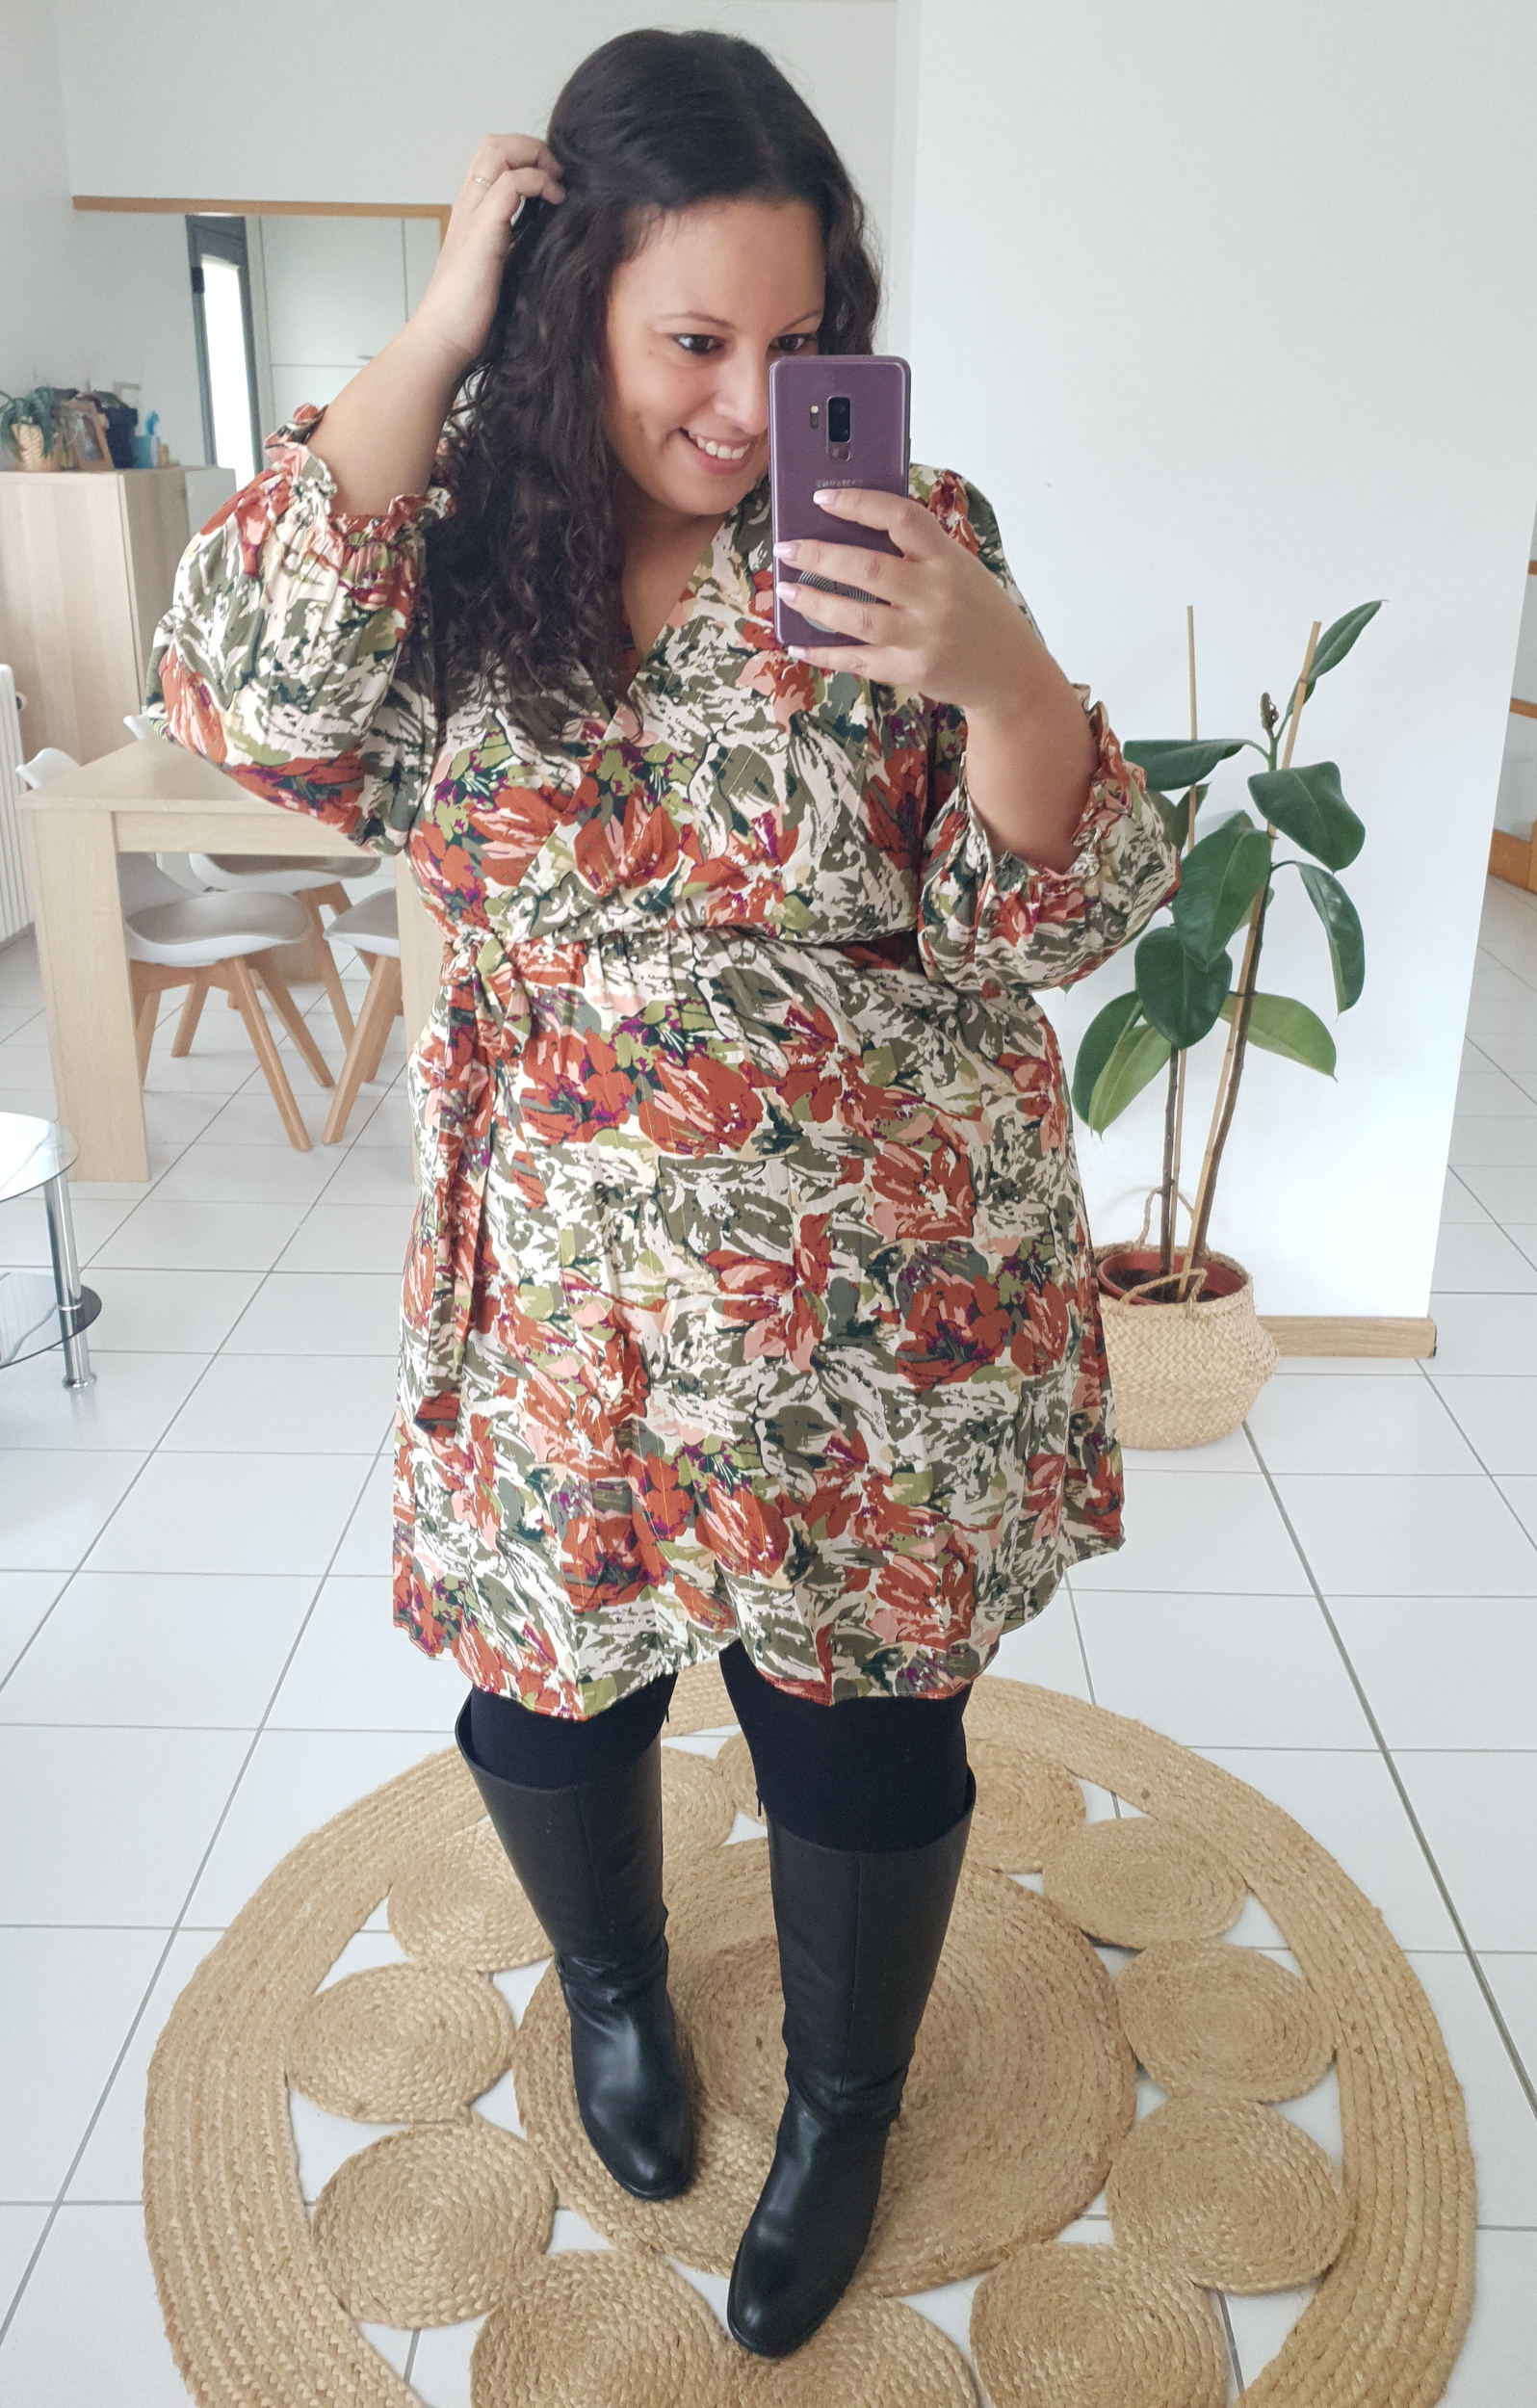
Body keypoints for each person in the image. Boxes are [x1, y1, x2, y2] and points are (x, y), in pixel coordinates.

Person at [147, 27, 1177, 2357]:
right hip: (559, 1293)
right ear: (566, 305)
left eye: (801, 341)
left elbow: (1065, 909)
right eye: (692, 339)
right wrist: (434, 324)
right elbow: (244, 701)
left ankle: (844, 2107)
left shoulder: (913, 540)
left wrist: (1004, 674)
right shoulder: (445, 544)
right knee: (549, 1707)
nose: (749, 402)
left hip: (876, 1305)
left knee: (861, 1734)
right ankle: (614, 1985)